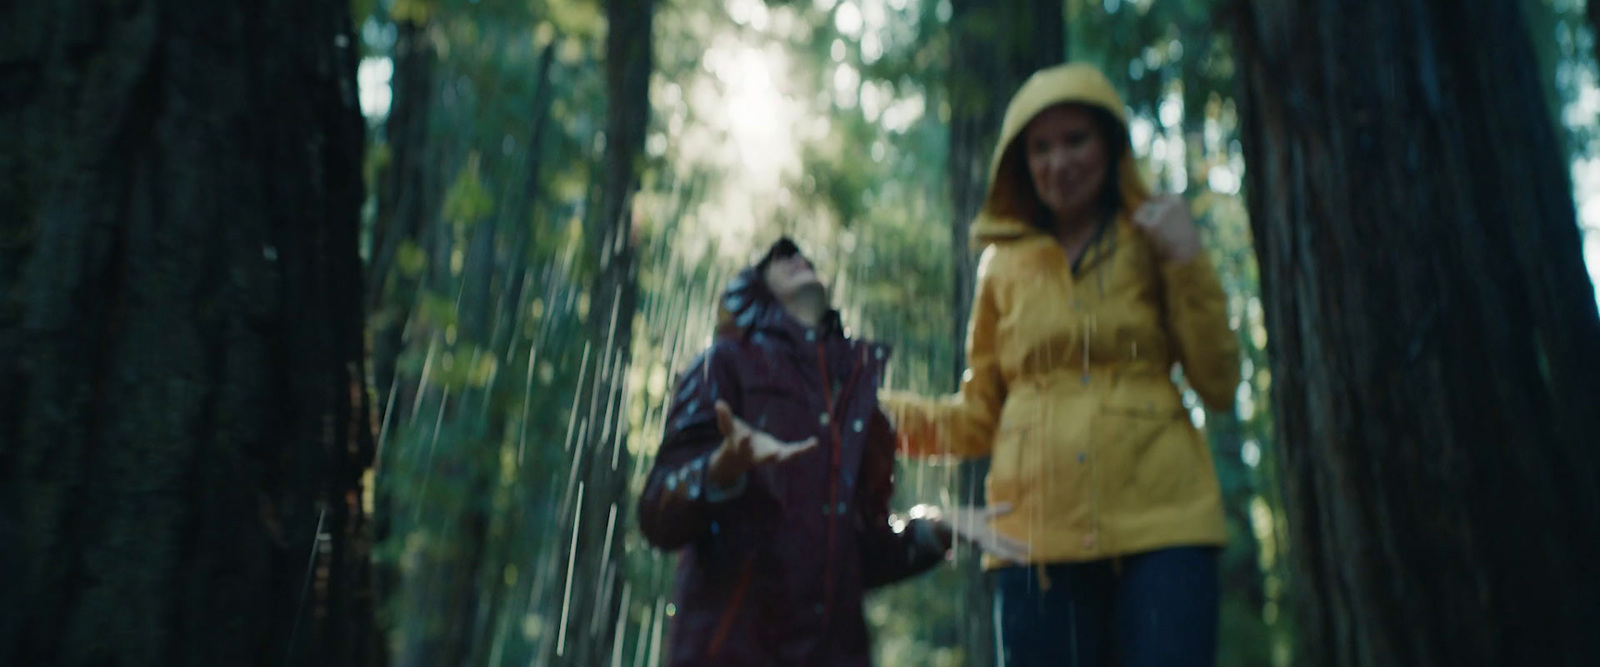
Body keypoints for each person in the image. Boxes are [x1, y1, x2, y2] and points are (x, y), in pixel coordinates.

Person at [881, 62, 1241, 666]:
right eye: (1040, 147)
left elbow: (1221, 382)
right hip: (1032, 542)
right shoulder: (1001, 264)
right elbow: (975, 419)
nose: (1059, 161)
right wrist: (866, 411)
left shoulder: (1154, 235)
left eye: (1077, 139)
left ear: (1111, 145)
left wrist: (1186, 259)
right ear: (1019, 163)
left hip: (1164, 530)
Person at [638, 238, 1022, 666]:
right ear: (752, 289)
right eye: (779, 258)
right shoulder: (723, 366)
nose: (796, 257)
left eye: (801, 255)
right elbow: (656, 514)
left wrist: (941, 527)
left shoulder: (855, 399)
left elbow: (857, 555)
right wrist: (718, 470)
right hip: (732, 653)